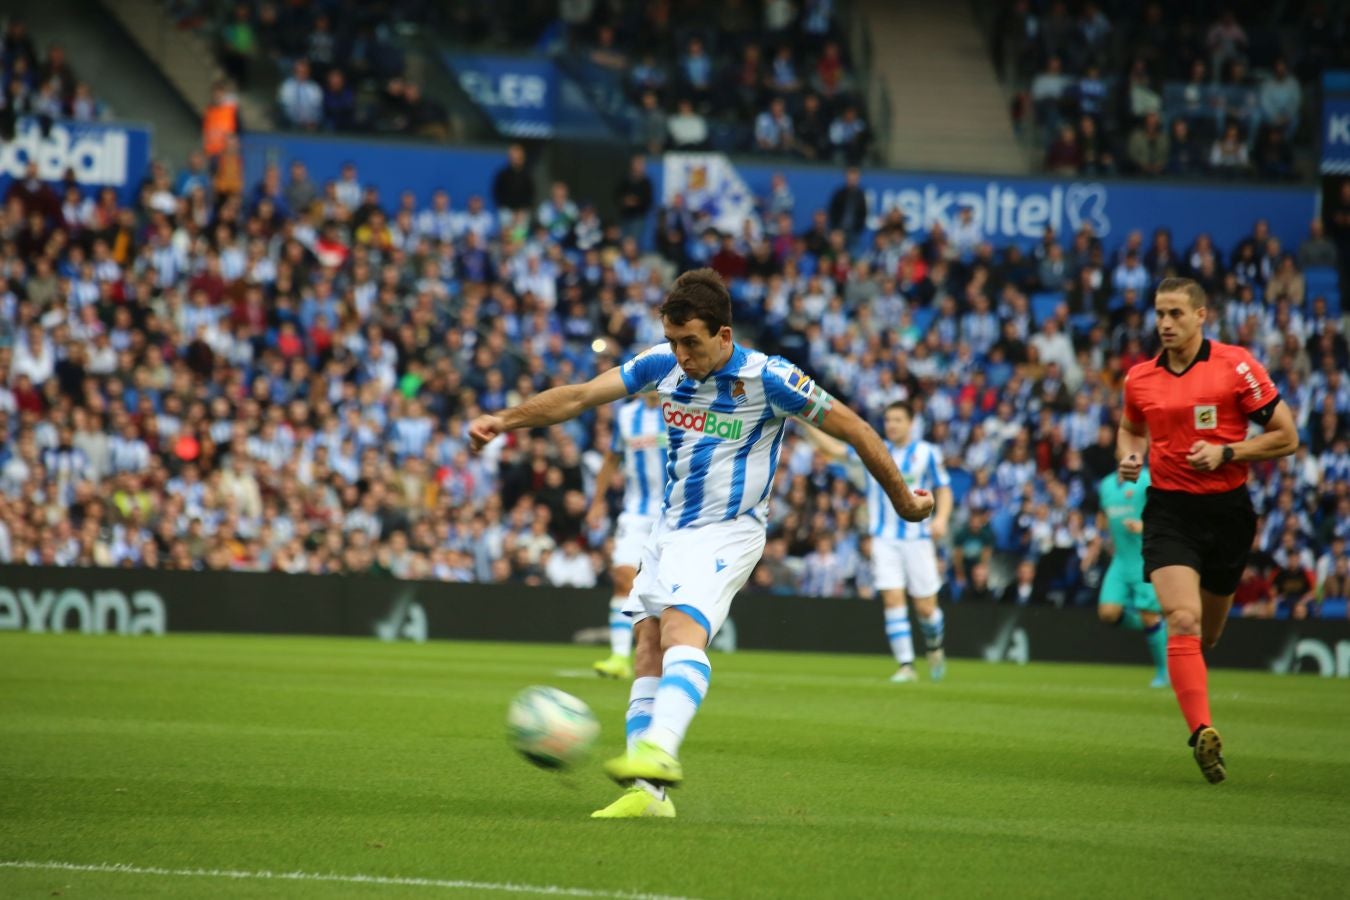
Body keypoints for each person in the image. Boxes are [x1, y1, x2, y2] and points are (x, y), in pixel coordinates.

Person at [469, 269, 933, 818]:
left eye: (691, 342)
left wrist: (903, 500)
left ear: (724, 336)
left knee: (680, 629)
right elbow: (579, 397)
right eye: (673, 340)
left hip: (730, 529)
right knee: (647, 646)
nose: (681, 354)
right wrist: (505, 419)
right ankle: (647, 796)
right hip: (669, 530)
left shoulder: (771, 378)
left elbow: (855, 428)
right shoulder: (661, 366)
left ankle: (658, 751)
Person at [1118, 277, 1298, 784]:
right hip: (1169, 512)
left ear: (1202, 316)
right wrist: (1129, 457)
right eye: (1159, 314)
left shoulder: (1236, 366)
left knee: (1208, 635)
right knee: (1182, 619)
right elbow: (1131, 428)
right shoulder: (1140, 378)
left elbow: (1287, 436)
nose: (1165, 324)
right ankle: (1202, 733)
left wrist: (1227, 452)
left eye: (1176, 313)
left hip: (1227, 513)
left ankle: (1199, 708)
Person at [800, 401, 952, 682]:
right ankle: (906, 666)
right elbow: (833, 449)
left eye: (897, 420)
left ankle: (934, 646)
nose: (891, 425)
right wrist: (802, 419)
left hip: (918, 538)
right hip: (883, 538)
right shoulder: (873, 448)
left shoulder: (926, 452)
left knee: (926, 609)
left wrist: (941, 518)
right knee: (893, 599)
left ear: (911, 423)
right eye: (888, 420)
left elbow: (944, 488)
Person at [587, 392, 669, 680]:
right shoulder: (626, 415)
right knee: (623, 576)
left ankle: (669, 655)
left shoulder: (683, 408)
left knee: (669, 587)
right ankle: (620, 657)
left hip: (675, 512)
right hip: (635, 511)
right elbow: (612, 458)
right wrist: (597, 500)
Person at [1097, 466, 1169, 688]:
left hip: (1143, 557)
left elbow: (1167, 514)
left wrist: (1144, 525)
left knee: (1149, 614)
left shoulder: (1148, 478)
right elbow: (1102, 517)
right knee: (1108, 613)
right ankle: (1160, 628)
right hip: (1120, 560)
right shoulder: (1106, 484)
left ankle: (1163, 673)